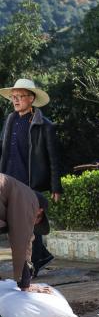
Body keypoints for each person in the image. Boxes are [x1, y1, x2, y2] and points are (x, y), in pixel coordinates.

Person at [0, 77, 62, 275]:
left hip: (30, 182)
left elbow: (53, 158)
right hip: (9, 180)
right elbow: (4, 151)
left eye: (20, 96)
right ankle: (39, 258)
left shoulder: (44, 125)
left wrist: (56, 186)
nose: (16, 100)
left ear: (31, 98)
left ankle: (31, 263)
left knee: (29, 223)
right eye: (13, 96)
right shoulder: (10, 121)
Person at [0, 173, 49, 317]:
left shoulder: (13, 191)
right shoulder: (28, 199)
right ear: (39, 211)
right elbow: (22, 241)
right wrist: (26, 284)